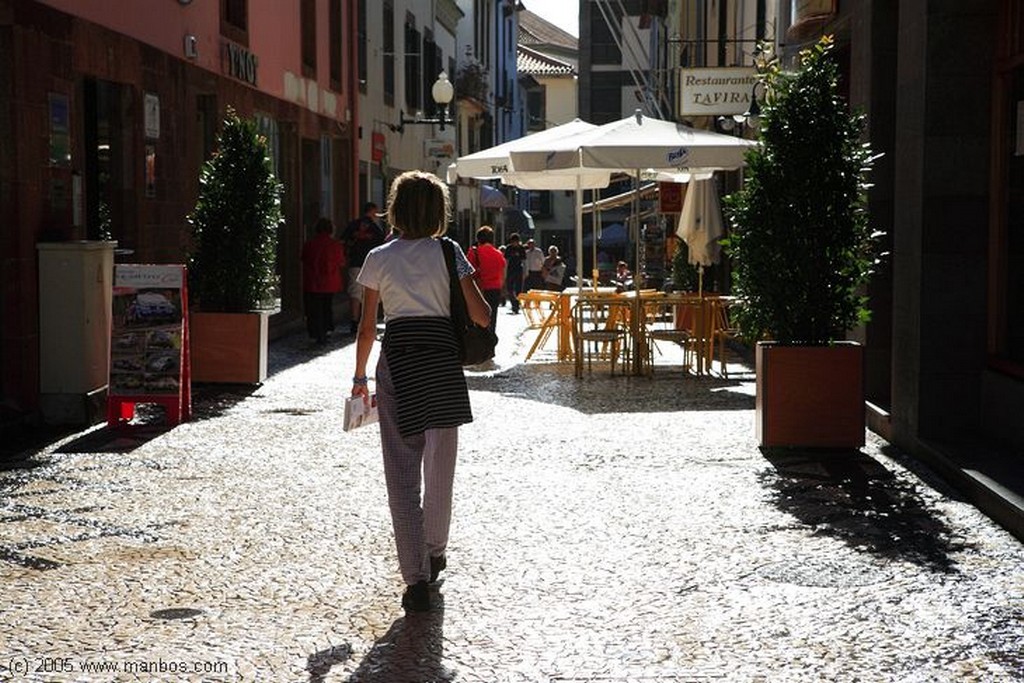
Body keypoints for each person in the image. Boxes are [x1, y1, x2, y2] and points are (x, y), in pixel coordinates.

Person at [351, 170, 491, 613]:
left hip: (399, 360)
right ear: (438, 211)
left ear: (395, 209)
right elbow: (482, 316)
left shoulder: (378, 257)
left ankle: (416, 580)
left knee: (401, 471)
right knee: (441, 466)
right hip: (442, 359)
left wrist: (360, 379)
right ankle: (435, 551)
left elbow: (367, 327)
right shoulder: (450, 253)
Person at [342, 202, 386, 334]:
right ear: (372, 211)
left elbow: (343, 240)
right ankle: (368, 321)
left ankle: (354, 322)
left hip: (355, 262)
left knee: (355, 293)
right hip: (372, 265)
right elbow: (381, 246)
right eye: (376, 212)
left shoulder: (353, 225)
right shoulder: (375, 228)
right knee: (372, 293)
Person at [301, 217, 345, 345]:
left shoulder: (309, 244)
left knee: (314, 309)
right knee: (327, 306)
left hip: (313, 281)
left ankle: (317, 332)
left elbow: (304, 259)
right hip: (329, 281)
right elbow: (341, 262)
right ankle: (326, 330)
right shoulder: (335, 245)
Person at [467, 226, 506, 334]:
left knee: (477, 321)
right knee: (491, 320)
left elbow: (468, 273)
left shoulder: (474, 252)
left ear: (478, 239)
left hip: (478, 290)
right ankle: (490, 344)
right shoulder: (498, 254)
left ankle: (478, 345)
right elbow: (502, 273)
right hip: (495, 289)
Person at [503, 233, 527, 314]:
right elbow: (506, 261)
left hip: (519, 270)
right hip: (510, 270)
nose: (514, 243)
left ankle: (516, 305)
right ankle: (513, 302)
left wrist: (525, 272)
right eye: (513, 242)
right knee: (509, 288)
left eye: (516, 242)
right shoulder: (508, 248)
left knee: (518, 289)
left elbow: (524, 261)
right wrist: (505, 272)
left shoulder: (521, 248)